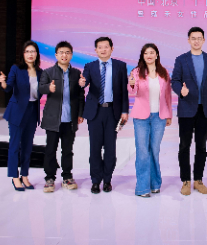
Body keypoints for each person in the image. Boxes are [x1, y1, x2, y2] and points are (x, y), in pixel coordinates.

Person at [171, 27, 207, 196]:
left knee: (201, 146)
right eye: (193, 38)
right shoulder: (181, 59)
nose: (196, 41)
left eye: (199, 38)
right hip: (186, 108)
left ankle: (198, 180)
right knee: (184, 145)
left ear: (203, 40)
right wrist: (180, 90)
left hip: (204, 109)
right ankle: (186, 180)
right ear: (189, 40)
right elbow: (175, 80)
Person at [79, 37, 129, 194]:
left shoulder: (120, 66)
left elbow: (124, 90)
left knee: (110, 148)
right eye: (99, 47)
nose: (103, 50)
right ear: (95, 50)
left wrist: (125, 111)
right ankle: (95, 181)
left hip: (112, 112)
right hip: (95, 112)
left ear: (112, 48)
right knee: (95, 148)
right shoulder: (89, 66)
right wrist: (82, 83)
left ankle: (107, 180)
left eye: (106, 47)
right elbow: (84, 82)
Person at [39, 41, 85, 193]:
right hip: (53, 118)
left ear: (71, 55)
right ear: (56, 55)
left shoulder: (76, 73)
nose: (64, 55)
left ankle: (67, 177)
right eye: (61, 52)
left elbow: (80, 95)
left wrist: (80, 114)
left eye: (67, 52)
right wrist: (48, 88)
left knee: (67, 150)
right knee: (50, 150)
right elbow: (41, 88)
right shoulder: (48, 72)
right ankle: (50, 178)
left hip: (70, 119)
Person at [127, 43, 173, 198]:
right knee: (142, 152)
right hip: (141, 118)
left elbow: (167, 95)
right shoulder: (136, 71)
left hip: (159, 117)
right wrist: (131, 84)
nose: (149, 55)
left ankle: (155, 184)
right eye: (146, 53)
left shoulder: (163, 72)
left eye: (152, 52)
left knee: (154, 150)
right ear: (143, 55)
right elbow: (133, 91)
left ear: (156, 55)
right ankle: (142, 187)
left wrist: (169, 115)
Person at [0, 40, 42, 191]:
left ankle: (24, 175)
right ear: (23, 54)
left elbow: (41, 91)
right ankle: (14, 176)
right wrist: (4, 83)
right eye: (27, 51)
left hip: (32, 111)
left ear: (37, 54)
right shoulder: (16, 69)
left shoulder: (40, 72)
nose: (30, 54)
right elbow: (9, 86)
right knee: (15, 145)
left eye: (33, 51)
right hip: (17, 111)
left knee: (27, 146)